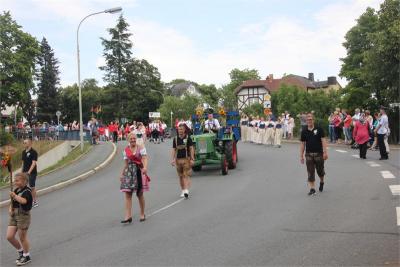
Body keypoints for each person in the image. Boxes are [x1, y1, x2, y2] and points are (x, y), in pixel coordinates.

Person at [120, 133, 149, 223]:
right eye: (131, 138)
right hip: (129, 173)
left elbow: (144, 158)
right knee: (128, 194)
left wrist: (145, 167)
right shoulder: (126, 150)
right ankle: (128, 216)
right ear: (128, 140)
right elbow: (126, 163)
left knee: (139, 194)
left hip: (138, 172)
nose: (133, 140)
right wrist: (122, 174)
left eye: (134, 138)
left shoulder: (141, 148)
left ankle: (142, 213)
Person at [7, 172, 33, 266]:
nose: (15, 182)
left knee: (22, 237)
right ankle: (21, 252)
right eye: (15, 180)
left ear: (25, 181)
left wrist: (14, 196)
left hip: (23, 216)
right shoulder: (17, 190)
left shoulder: (27, 191)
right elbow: (12, 202)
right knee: (9, 236)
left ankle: (27, 256)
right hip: (14, 215)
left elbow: (23, 201)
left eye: (17, 180)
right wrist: (10, 209)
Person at [300, 113, 328, 196]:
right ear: (306, 121)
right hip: (308, 154)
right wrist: (301, 155)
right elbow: (302, 144)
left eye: (311, 119)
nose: (309, 121)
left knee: (320, 171)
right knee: (310, 172)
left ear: (313, 120)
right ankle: (312, 189)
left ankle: (322, 181)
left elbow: (323, 140)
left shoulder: (319, 129)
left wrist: (325, 152)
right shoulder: (304, 131)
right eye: (308, 119)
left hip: (319, 154)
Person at [171, 124, 194, 199]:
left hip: (186, 159)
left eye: (181, 129)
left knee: (186, 175)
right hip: (178, 160)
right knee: (180, 176)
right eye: (179, 129)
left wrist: (192, 159)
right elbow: (174, 149)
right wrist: (172, 159)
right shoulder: (175, 139)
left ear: (184, 130)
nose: (180, 131)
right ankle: (183, 190)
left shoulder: (188, 138)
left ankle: (186, 190)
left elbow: (191, 148)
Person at [21, 139, 38, 208]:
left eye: (25, 143)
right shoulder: (23, 152)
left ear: (30, 143)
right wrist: (21, 172)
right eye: (23, 143)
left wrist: (29, 172)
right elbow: (23, 163)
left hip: (32, 173)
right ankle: (26, 200)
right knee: (24, 187)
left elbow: (33, 163)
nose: (24, 144)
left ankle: (34, 201)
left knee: (32, 187)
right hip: (24, 172)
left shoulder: (34, 152)